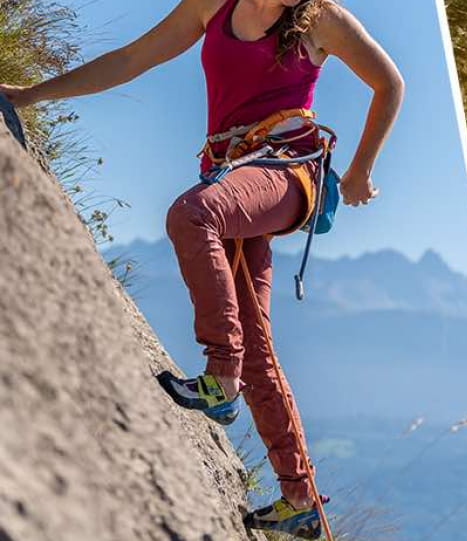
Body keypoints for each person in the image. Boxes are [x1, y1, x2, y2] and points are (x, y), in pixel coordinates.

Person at [3, 0, 402, 536]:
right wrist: (29, 95)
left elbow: (389, 83)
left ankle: (220, 375)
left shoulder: (323, 19)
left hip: (286, 172)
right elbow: (131, 58)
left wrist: (359, 172)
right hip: (231, 170)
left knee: (193, 215)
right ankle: (299, 497)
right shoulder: (213, 5)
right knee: (255, 342)